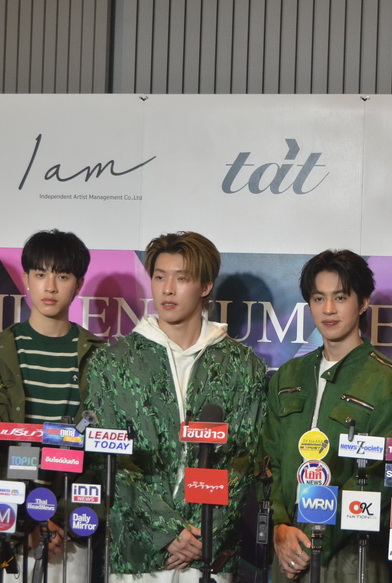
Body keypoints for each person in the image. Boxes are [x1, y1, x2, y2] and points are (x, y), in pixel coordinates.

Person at [86, 231, 267, 582]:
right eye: (159, 277)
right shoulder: (112, 364)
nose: (167, 289)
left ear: (205, 286)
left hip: (209, 557)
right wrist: (166, 530)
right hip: (136, 557)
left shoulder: (242, 366)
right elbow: (108, 459)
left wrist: (202, 535)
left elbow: (243, 460)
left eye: (181, 278)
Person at [262, 250, 392, 582]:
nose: (329, 309)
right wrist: (279, 525)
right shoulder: (287, 375)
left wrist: (315, 542)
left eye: (340, 297)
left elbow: (380, 476)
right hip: (288, 549)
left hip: (352, 553)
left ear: (363, 303)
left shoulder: (391, 382)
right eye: (319, 298)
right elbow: (270, 458)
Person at [0, 229, 103, 577]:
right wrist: (24, 520)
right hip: (7, 530)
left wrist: (61, 521)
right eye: (40, 274)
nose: (50, 287)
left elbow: (102, 458)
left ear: (79, 284)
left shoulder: (101, 359)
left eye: (62, 276)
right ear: (25, 279)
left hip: (70, 533)